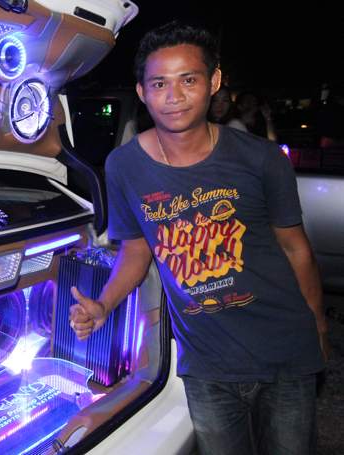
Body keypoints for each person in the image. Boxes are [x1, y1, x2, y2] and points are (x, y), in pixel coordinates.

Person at [68, 21, 328, 455]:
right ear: (142, 92)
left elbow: (295, 248)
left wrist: (317, 326)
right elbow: (137, 249)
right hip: (207, 365)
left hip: (285, 351)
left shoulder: (261, 158)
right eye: (159, 84)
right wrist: (104, 304)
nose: (174, 96)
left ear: (214, 81)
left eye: (188, 79)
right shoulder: (124, 166)